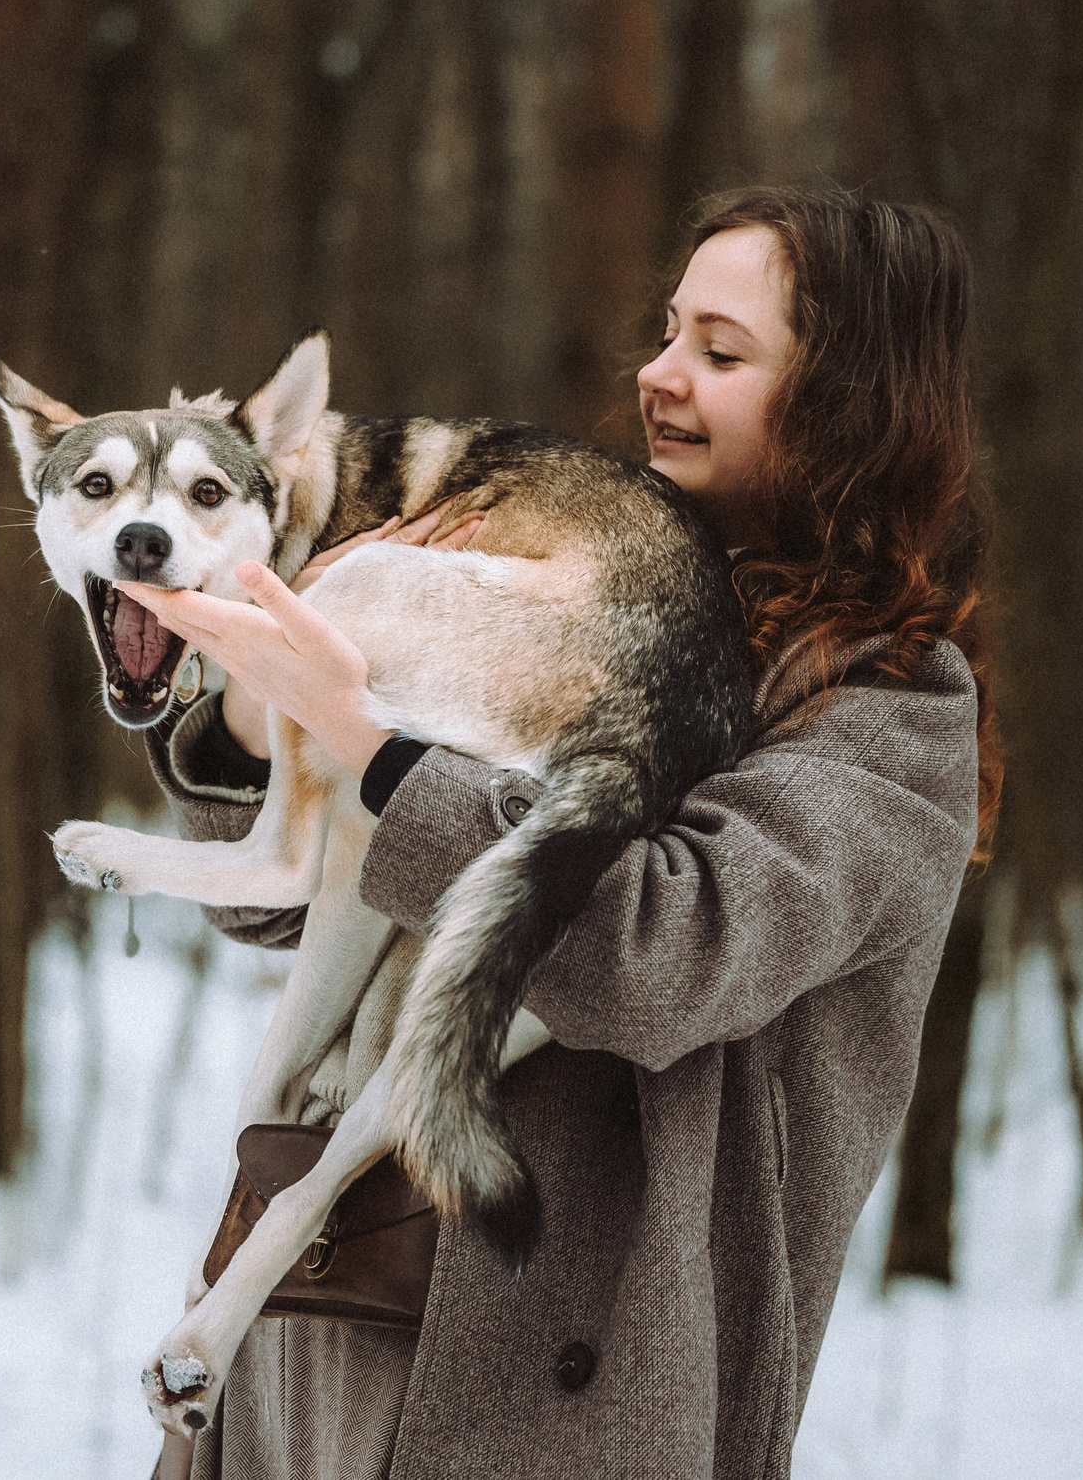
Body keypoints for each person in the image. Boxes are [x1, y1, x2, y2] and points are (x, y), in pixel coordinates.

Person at [132, 186, 997, 1480]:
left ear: (849, 403)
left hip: (553, 1405)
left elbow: (659, 951)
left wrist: (371, 747)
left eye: (721, 351)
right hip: (304, 1329)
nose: (657, 376)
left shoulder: (886, 722)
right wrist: (267, 721)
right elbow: (272, 905)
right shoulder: (551, 575)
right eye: (666, 333)